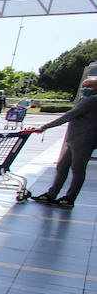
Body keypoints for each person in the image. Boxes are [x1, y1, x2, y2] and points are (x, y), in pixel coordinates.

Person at [31, 76, 97, 208]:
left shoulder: (91, 100)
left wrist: (44, 127)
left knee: (77, 170)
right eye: (83, 86)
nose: (85, 89)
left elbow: (69, 116)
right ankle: (51, 194)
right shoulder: (86, 100)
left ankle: (69, 198)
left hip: (83, 140)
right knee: (62, 167)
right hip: (74, 139)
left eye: (89, 86)